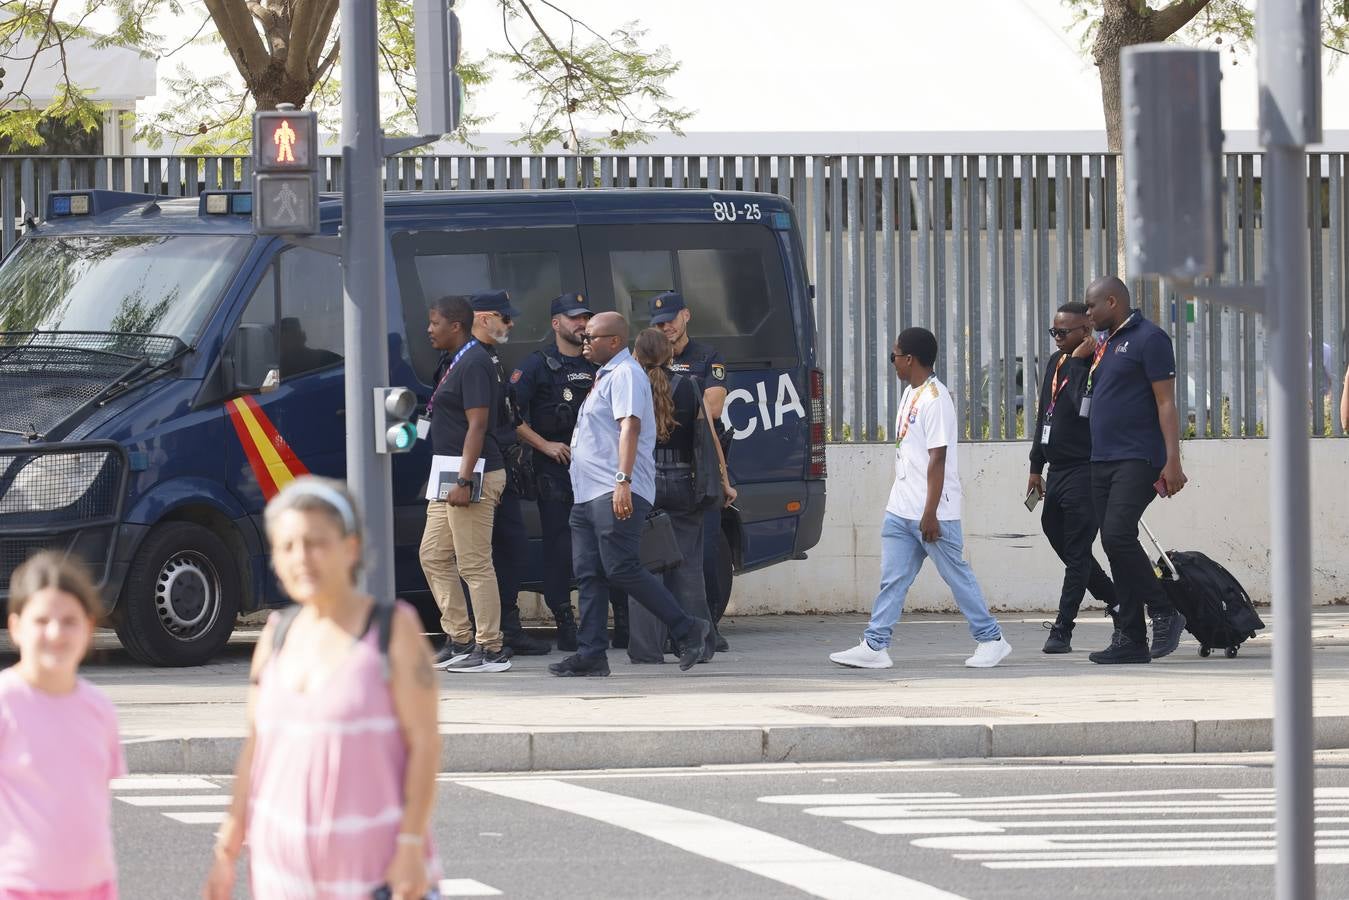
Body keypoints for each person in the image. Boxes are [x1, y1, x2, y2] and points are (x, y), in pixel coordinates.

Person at [204, 478, 441, 899]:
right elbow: (256, 748)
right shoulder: (276, 635)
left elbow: (425, 745)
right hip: (281, 869)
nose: (303, 559)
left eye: (317, 543)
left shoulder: (393, 630)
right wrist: (228, 845)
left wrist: (410, 844)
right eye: (288, 546)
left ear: (350, 548)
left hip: (373, 868)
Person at [830, 327, 1011, 670]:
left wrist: (930, 513)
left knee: (956, 575)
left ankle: (992, 640)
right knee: (893, 578)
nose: (893, 362)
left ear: (909, 359)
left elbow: (937, 458)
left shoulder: (936, 399)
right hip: (901, 509)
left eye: (894, 356)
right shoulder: (912, 393)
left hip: (933, 512)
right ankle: (875, 645)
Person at [548, 311, 711, 677]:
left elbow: (630, 427)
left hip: (614, 490)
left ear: (615, 342)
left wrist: (622, 481)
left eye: (592, 337)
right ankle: (592, 654)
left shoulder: (624, 374)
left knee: (622, 567)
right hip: (587, 494)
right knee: (589, 573)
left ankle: (688, 628)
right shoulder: (605, 375)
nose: (585, 342)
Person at [1, 552, 124, 900]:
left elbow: (95, 802)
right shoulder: (5, 703)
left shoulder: (99, 710)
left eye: (69, 620)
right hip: (18, 888)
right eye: (41, 620)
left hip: (94, 888)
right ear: (16, 628)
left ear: (88, 627)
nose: (55, 632)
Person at [1082, 275, 1188, 665]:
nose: (1087, 313)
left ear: (1113, 301)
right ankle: (1130, 637)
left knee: (1117, 533)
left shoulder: (1150, 338)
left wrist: (1172, 459)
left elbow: (1166, 403)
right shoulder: (1104, 344)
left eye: (1092, 306)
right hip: (1101, 459)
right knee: (1113, 543)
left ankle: (1163, 609)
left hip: (1139, 457)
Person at [627, 328, 737, 664]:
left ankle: (646, 650)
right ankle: (697, 645)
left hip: (643, 483)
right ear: (671, 356)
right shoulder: (689, 387)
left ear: (636, 356)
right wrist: (724, 480)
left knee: (645, 567)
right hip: (683, 482)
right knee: (688, 566)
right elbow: (707, 438)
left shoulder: (631, 389)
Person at [418, 294, 511, 674]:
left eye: (434, 323)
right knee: (433, 554)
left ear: (455, 325)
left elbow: (478, 425)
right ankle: (459, 638)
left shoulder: (474, 362)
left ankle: (492, 650)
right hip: (448, 471)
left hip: (472, 473)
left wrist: (464, 478)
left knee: (473, 563)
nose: (429, 329)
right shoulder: (454, 360)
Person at [1027, 302, 1119, 653]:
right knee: (1059, 538)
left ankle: (1063, 628)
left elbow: (1086, 407)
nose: (1057, 339)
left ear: (1087, 332)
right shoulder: (1056, 362)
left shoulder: (1098, 363)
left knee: (1078, 550)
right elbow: (1043, 418)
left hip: (1087, 469)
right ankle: (1117, 600)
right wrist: (1036, 466)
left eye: (1063, 333)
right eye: (1054, 332)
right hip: (1057, 469)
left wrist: (1081, 362)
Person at [512, 292, 600, 651]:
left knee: (600, 546)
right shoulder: (537, 364)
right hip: (555, 471)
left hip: (596, 471)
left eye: (585, 318)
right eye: (574, 318)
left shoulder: (599, 362)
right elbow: (510, 414)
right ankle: (565, 621)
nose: (581, 324)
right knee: (560, 548)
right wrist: (544, 445)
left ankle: (615, 621)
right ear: (556, 323)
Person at [470, 289, 551, 657]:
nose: (511, 323)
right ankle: (484, 633)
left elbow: (509, 414)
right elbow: (469, 423)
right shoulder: (470, 359)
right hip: (482, 467)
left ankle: (509, 623)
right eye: (505, 317)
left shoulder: (492, 358)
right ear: (483, 318)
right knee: (479, 554)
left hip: (503, 464)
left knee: (512, 546)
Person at [651, 291, 733, 651]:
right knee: (661, 556)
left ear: (686, 315)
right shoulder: (649, 364)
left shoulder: (707, 357)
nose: (665, 325)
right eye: (658, 323)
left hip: (700, 468)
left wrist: (672, 398)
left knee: (706, 554)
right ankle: (677, 631)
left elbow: (712, 410)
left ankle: (709, 627)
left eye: (670, 318)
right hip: (661, 469)